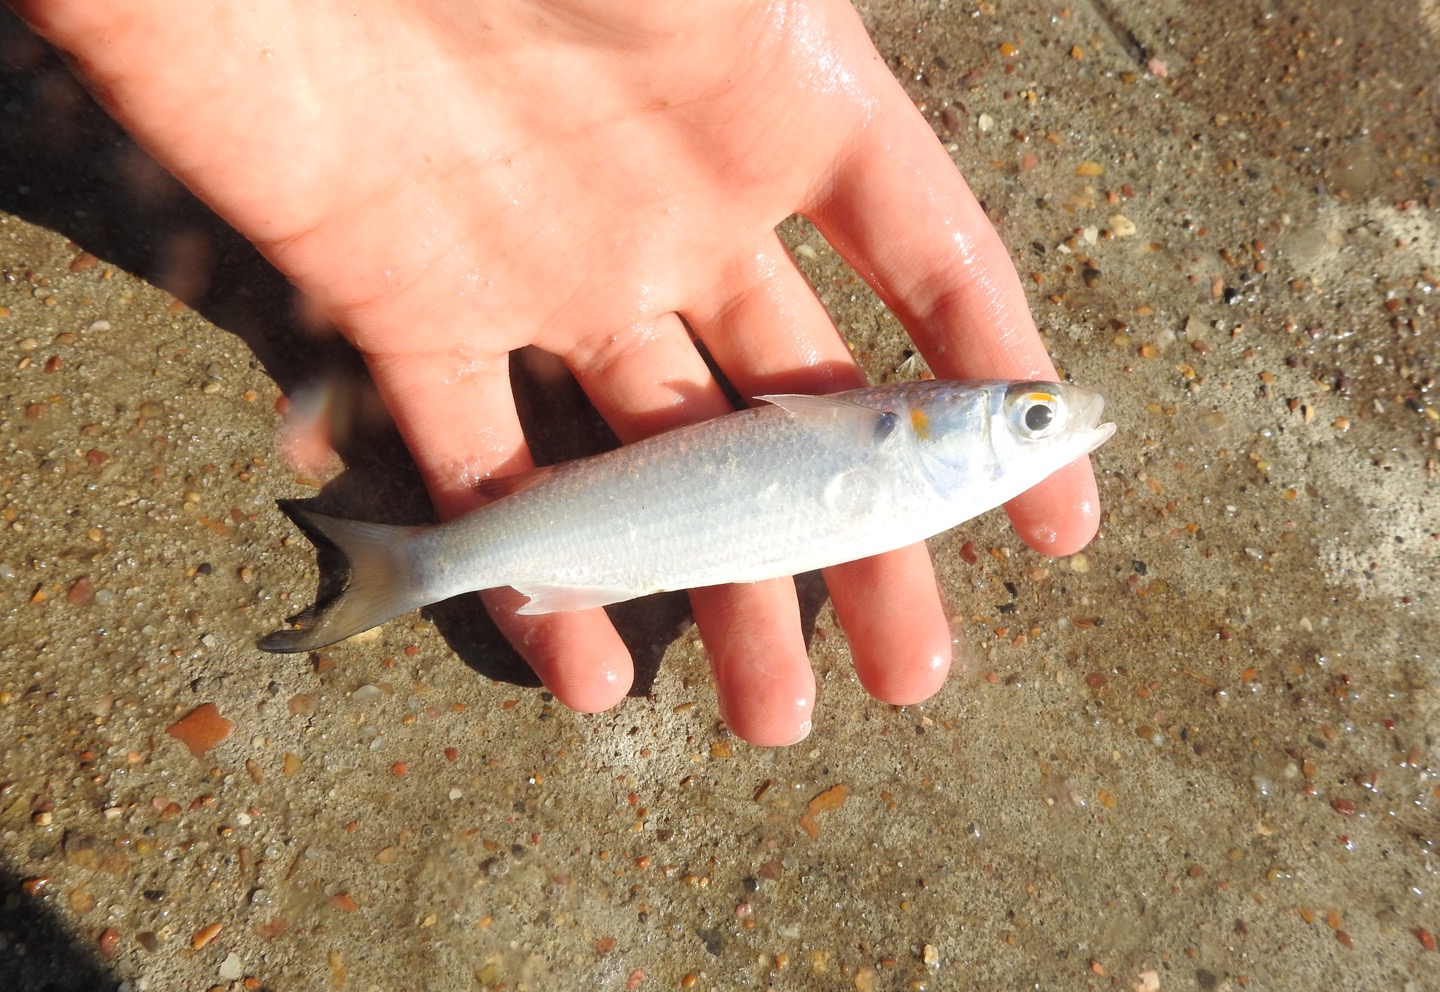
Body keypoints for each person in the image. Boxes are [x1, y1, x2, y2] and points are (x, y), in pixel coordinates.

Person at [10, 0, 1100, 745]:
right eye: (1033, 417)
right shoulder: (904, 447)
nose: (1048, 423)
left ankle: (416, 563)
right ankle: (417, 564)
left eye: (1034, 417)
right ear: (921, 417)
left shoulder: (915, 460)